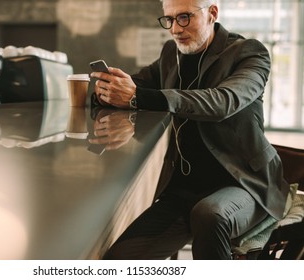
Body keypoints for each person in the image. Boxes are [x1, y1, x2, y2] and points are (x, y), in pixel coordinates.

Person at [90, 0, 290, 260]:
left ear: (212, 13)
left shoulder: (250, 53)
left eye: (184, 17)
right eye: (169, 20)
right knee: (117, 261)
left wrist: (138, 96)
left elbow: (223, 102)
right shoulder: (170, 53)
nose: (175, 29)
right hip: (184, 190)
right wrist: (106, 89)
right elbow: (136, 85)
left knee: (208, 214)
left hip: (244, 183)